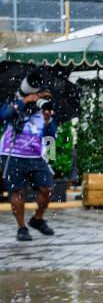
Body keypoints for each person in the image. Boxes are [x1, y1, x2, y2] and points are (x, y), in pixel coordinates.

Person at [2, 82, 58, 242]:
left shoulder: (45, 111)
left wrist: (47, 120)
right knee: (17, 191)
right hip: (11, 154)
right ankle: (21, 228)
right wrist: (24, 102)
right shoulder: (13, 101)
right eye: (42, 96)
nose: (44, 100)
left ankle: (37, 219)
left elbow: (51, 137)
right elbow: (5, 115)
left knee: (47, 188)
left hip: (35, 157)